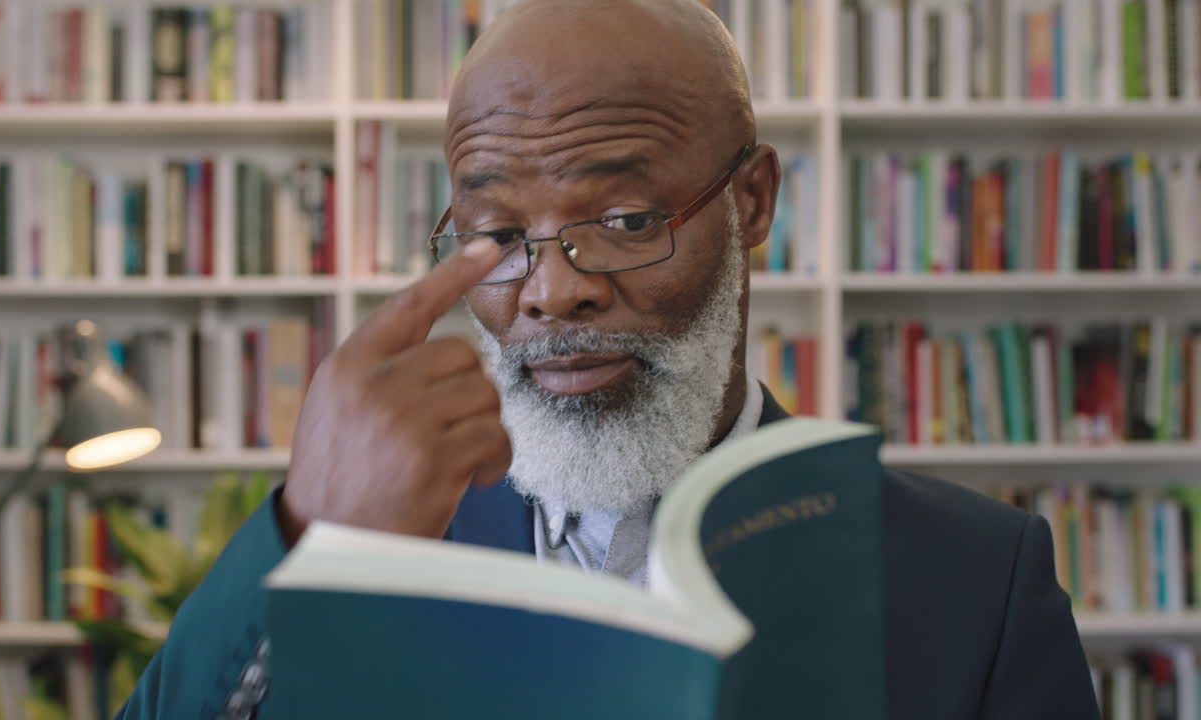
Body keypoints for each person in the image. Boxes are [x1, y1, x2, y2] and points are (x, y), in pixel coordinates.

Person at [117, 1, 1100, 717]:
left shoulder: (977, 581)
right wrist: (308, 533)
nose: (551, 290)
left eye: (625, 219)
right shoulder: (378, 546)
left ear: (751, 201)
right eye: (497, 233)